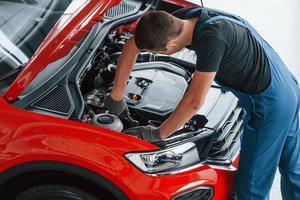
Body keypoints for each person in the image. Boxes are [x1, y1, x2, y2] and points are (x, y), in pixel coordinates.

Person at [104, 6, 300, 200]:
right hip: (287, 87)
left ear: (169, 48)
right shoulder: (183, 20)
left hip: (270, 106)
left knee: (251, 189)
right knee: (293, 170)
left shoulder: (211, 39)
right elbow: (132, 45)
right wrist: (117, 96)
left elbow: (195, 101)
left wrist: (158, 133)